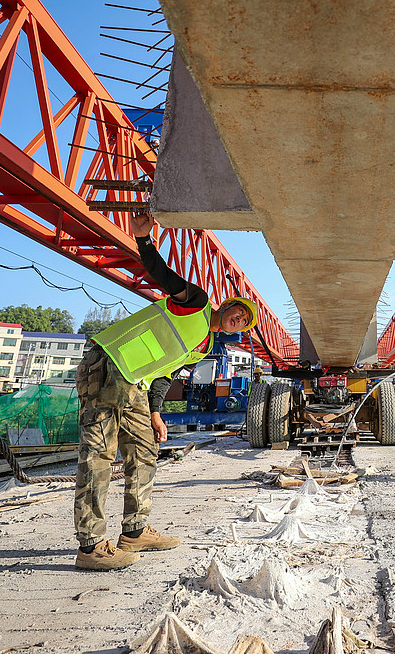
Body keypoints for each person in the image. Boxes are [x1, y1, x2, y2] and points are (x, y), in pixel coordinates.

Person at [73, 213, 259, 570]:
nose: (242, 320)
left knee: (144, 452)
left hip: (133, 384)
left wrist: (155, 412)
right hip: (109, 365)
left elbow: (163, 376)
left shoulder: (203, 346)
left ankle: (135, 530)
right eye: (241, 311)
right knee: (98, 456)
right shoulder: (197, 304)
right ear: (228, 305)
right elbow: (163, 275)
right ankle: (91, 545)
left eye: (247, 322)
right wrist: (144, 241)